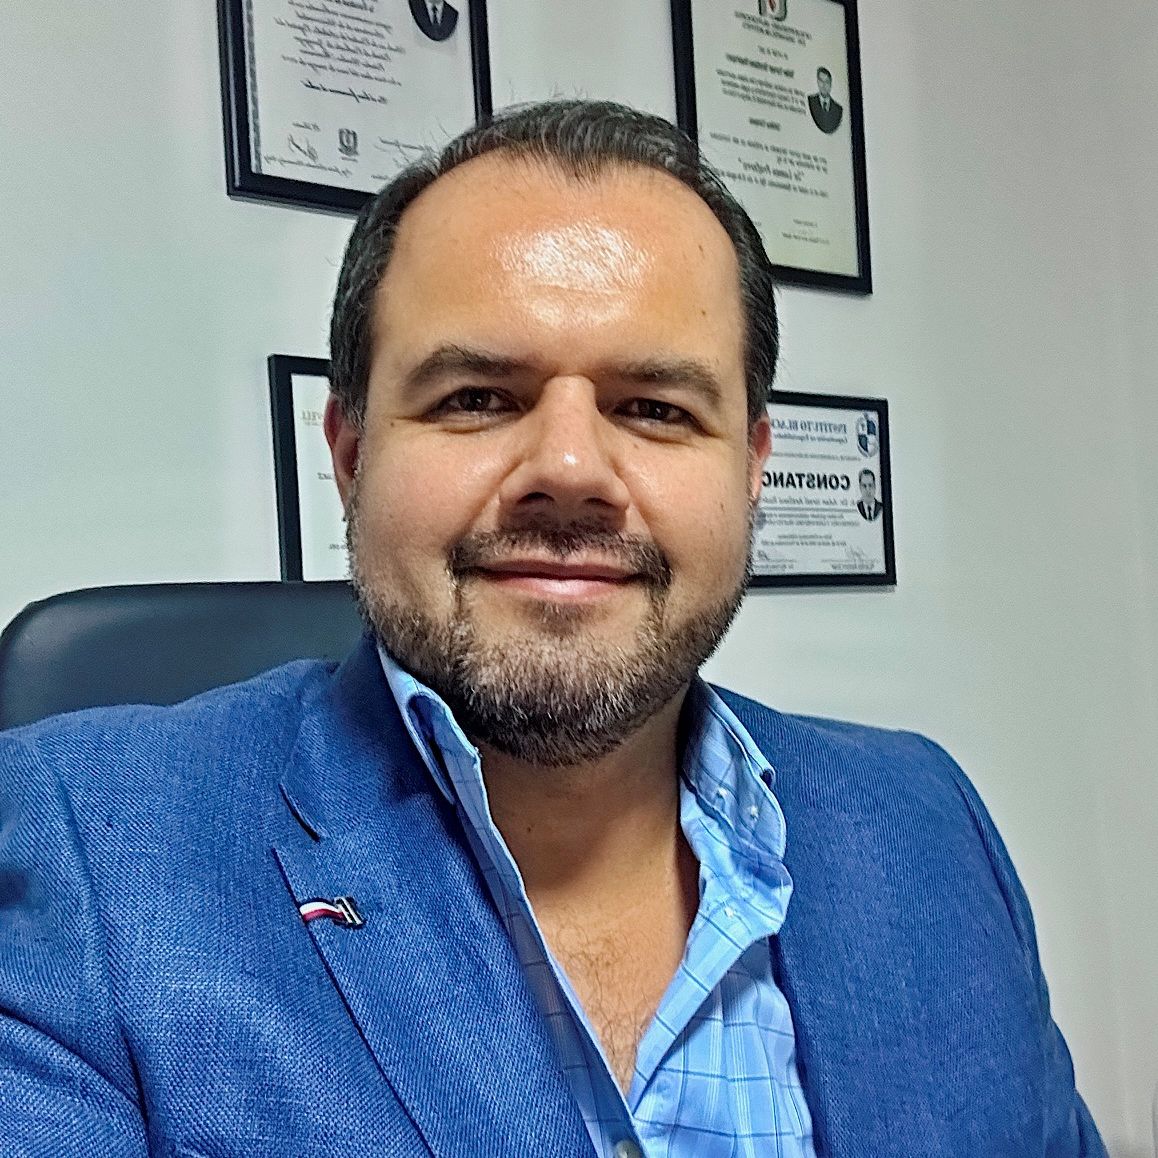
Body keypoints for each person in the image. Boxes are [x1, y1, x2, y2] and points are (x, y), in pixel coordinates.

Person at [0, 100, 1105, 1158]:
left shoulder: (926, 820)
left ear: (750, 470)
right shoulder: (79, 845)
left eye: (656, 408)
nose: (570, 470)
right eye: (477, 397)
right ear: (349, 454)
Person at [807, 67, 843, 134]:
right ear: (817, 82)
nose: (823, 85)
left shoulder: (838, 109)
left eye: (826, 82)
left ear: (830, 84)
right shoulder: (810, 101)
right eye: (821, 81)